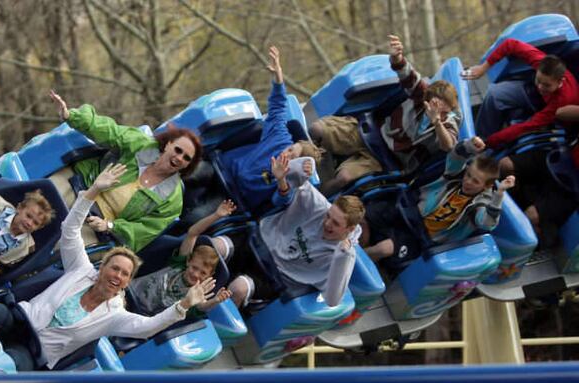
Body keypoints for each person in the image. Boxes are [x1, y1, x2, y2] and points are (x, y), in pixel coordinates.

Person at [0, 164, 216, 371]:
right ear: (103, 268)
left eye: (125, 274)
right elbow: (70, 230)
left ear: (126, 282)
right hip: (22, 318)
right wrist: (92, 193)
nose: (118, 275)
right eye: (115, 268)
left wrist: (184, 304)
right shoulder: (81, 268)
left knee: (8, 364)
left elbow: (146, 327)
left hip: (34, 351)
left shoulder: (114, 315)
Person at [49, 90, 203, 252]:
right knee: (38, 203)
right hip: (81, 186)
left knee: (61, 250)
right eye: (178, 150)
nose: (179, 158)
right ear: (168, 145)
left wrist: (110, 226)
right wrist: (70, 116)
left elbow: (145, 230)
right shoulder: (142, 144)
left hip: (96, 222)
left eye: (186, 158)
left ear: (188, 165)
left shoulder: (173, 198)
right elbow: (108, 131)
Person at [312, 35, 460, 194]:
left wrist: (437, 122)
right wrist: (397, 58)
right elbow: (409, 75)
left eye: (442, 107)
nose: (435, 108)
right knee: (317, 129)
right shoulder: (422, 95)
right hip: (372, 132)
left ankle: (319, 193)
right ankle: (314, 157)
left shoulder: (450, 121)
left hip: (384, 158)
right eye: (432, 103)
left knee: (344, 178)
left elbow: (449, 145)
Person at [228, 155, 365, 308]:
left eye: (335, 223)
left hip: (275, 277)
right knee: (216, 246)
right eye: (328, 215)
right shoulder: (319, 206)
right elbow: (298, 175)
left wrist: (343, 257)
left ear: (350, 229)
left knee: (237, 288)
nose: (327, 223)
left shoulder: (344, 255)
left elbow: (332, 300)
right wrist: (306, 165)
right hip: (260, 242)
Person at [361, 137, 515, 265]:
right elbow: (455, 156)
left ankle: (355, 265)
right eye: (468, 175)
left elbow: (487, 223)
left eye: (475, 181)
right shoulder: (455, 175)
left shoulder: (481, 204)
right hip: (410, 212)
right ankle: (355, 248)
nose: (467, 182)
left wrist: (499, 194)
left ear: (486, 186)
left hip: (421, 236)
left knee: (382, 249)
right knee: (364, 217)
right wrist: (470, 145)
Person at [216, 46, 320, 212]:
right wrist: (278, 76)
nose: (287, 154)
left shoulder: (289, 181)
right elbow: (278, 107)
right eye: (291, 149)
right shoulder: (280, 138)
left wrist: (281, 180)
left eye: (292, 157)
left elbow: (282, 201)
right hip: (223, 166)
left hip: (232, 199)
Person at [463, 38, 579, 152]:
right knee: (494, 94)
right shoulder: (541, 63)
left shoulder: (562, 102)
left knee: (514, 132)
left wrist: (489, 142)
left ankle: (483, 145)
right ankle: (478, 138)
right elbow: (511, 44)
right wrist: (484, 67)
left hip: (548, 113)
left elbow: (525, 126)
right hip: (532, 94)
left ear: (560, 82)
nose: (540, 87)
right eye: (538, 80)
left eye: (547, 85)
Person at [128, 200, 237, 318]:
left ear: (209, 276)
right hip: (127, 292)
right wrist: (217, 216)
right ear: (188, 261)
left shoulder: (198, 292)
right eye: (195, 267)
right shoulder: (179, 264)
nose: (196, 274)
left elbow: (201, 306)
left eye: (203, 273)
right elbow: (193, 233)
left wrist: (215, 300)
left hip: (142, 316)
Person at [494, 104, 579, 247]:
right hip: (560, 159)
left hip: (571, 188)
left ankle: (538, 239)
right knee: (505, 165)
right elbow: (560, 112)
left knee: (530, 216)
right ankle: (514, 199)